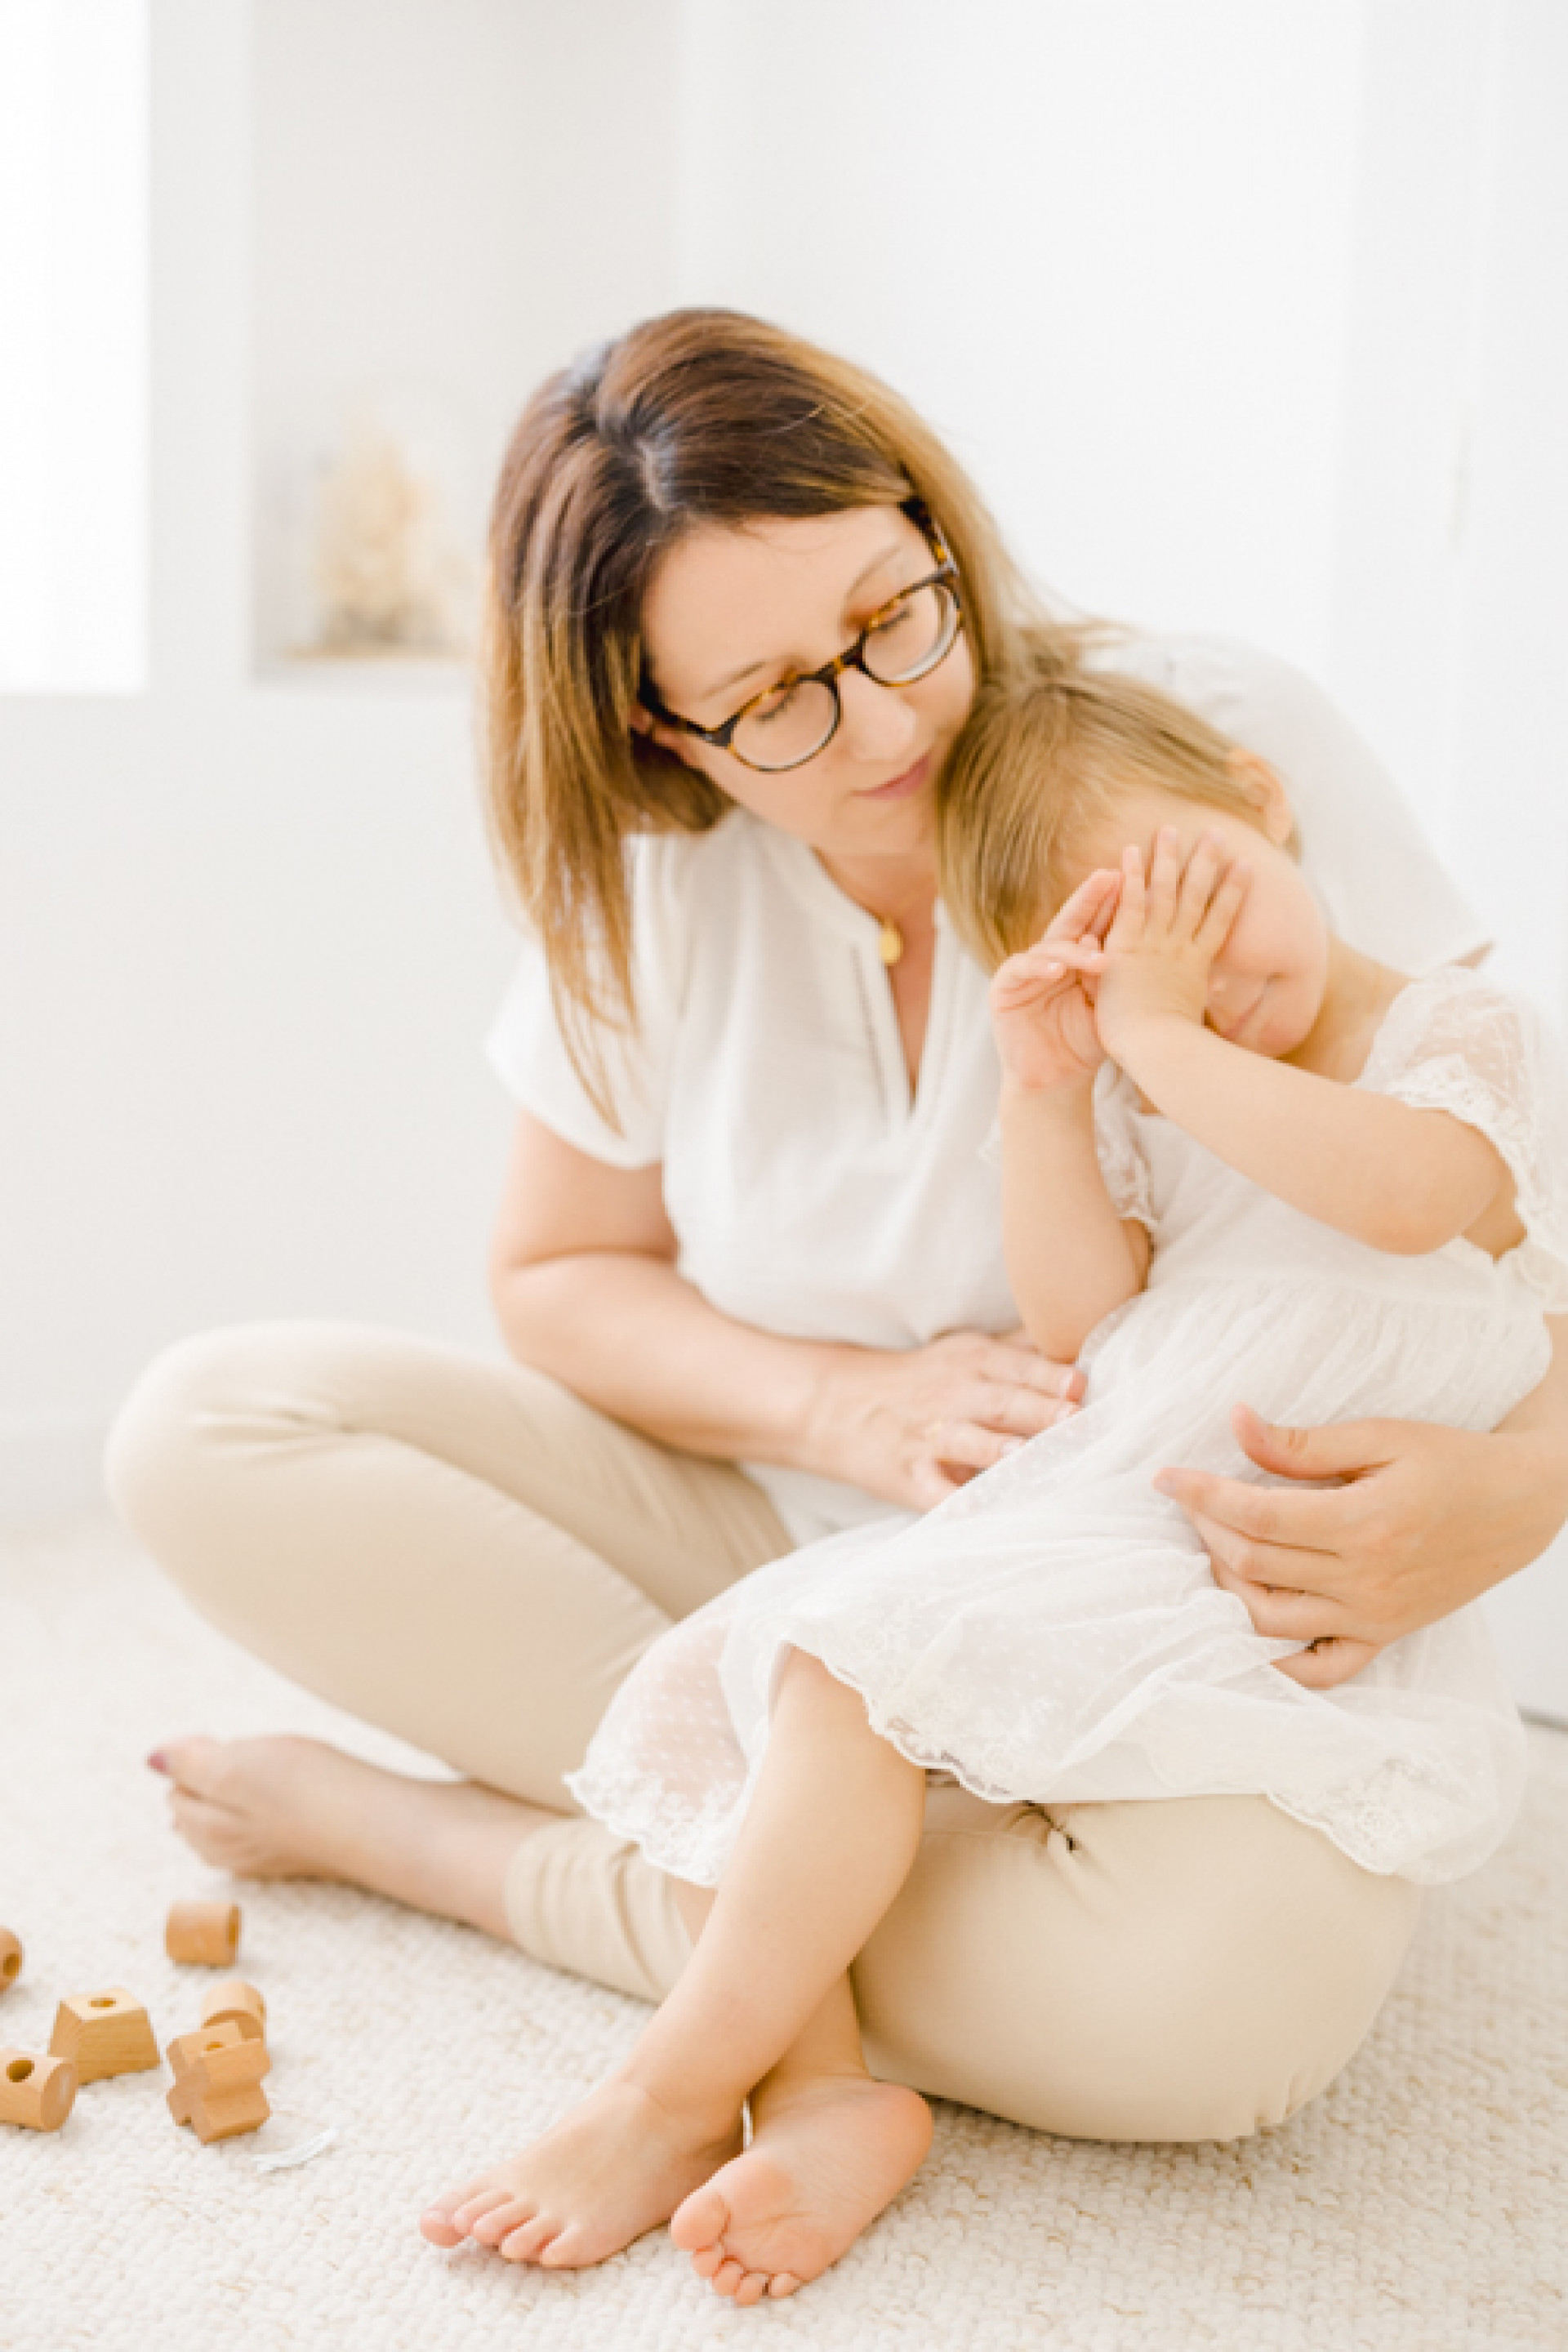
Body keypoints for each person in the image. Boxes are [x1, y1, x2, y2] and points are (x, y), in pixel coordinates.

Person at [105, 310, 1568, 2283]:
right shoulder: (657, 882)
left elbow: (1490, 1176)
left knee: (1228, 2006)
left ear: (929, 522)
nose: (888, 728)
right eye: (777, 698)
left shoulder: (1194, 752)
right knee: (211, 1427)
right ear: (659, 732)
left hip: (1173, 1591)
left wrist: (1520, 1496)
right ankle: (774, 1883)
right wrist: (834, 1408)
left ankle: (471, 1855)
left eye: (896, 615)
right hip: (792, 1537)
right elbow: (557, 1277)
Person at [472, 663, 1560, 2301]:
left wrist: (1160, 1035)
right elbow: (1087, 1319)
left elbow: (1410, 1198)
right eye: (1125, 952)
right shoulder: (1147, 1066)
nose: (1198, 983)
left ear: (1267, 798)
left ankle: (667, 2083)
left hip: (1274, 1556)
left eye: (1201, 903)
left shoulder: (1446, 1035)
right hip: (1119, 1502)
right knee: (780, 1670)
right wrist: (1056, 1097)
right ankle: (803, 2087)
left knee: (865, 1692)